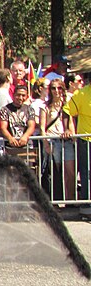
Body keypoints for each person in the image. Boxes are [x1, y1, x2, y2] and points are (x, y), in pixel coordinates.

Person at [39, 79, 76, 200]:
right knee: (56, 172)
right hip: (53, 141)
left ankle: (71, 200)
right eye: (53, 88)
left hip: (67, 141)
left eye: (59, 88)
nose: (56, 91)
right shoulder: (45, 106)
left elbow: (71, 123)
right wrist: (45, 144)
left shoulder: (67, 104)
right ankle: (58, 200)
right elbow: (42, 127)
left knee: (70, 171)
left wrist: (73, 136)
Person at [64, 72, 91, 211]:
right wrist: (68, 129)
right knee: (86, 173)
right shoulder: (81, 94)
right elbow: (67, 110)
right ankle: (87, 204)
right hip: (86, 140)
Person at [0, 84, 36, 154]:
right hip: (10, 146)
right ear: (13, 95)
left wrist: (25, 136)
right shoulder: (5, 109)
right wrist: (10, 138)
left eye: (23, 95)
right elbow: (3, 127)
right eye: (18, 95)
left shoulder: (30, 109)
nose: (20, 98)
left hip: (26, 146)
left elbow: (31, 126)